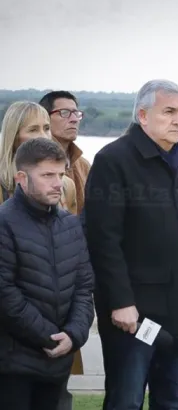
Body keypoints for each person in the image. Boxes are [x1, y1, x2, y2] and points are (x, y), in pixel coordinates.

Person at [83, 79, 178, 410]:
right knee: (126, 401)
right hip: (134, 314)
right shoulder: (112, 159)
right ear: (142, 115)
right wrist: (119, 301)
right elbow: (103, 239)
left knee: (173, 401)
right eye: (169, 112)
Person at [0, 137, 94, 410]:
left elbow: (83, 287)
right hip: (13, 365)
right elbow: (5, 293)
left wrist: (74, 335)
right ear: (21, 178)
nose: (57, 183)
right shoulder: (4, 223)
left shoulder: (70, 224)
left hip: (58, 361)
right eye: (47, 175)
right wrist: (49, 338)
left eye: (61, 174)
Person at [0, 101, 77, 213]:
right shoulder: (3, 186)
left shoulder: (66, 186)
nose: (43, 136)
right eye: (33, 130)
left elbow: (72, 228)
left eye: (46, 128)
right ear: (14, 137)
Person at [39, 91, 90, 213]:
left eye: (76, 113)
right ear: (45, 118)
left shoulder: (83, 165)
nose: (74, 120)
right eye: (65, 113)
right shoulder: (34, 162)